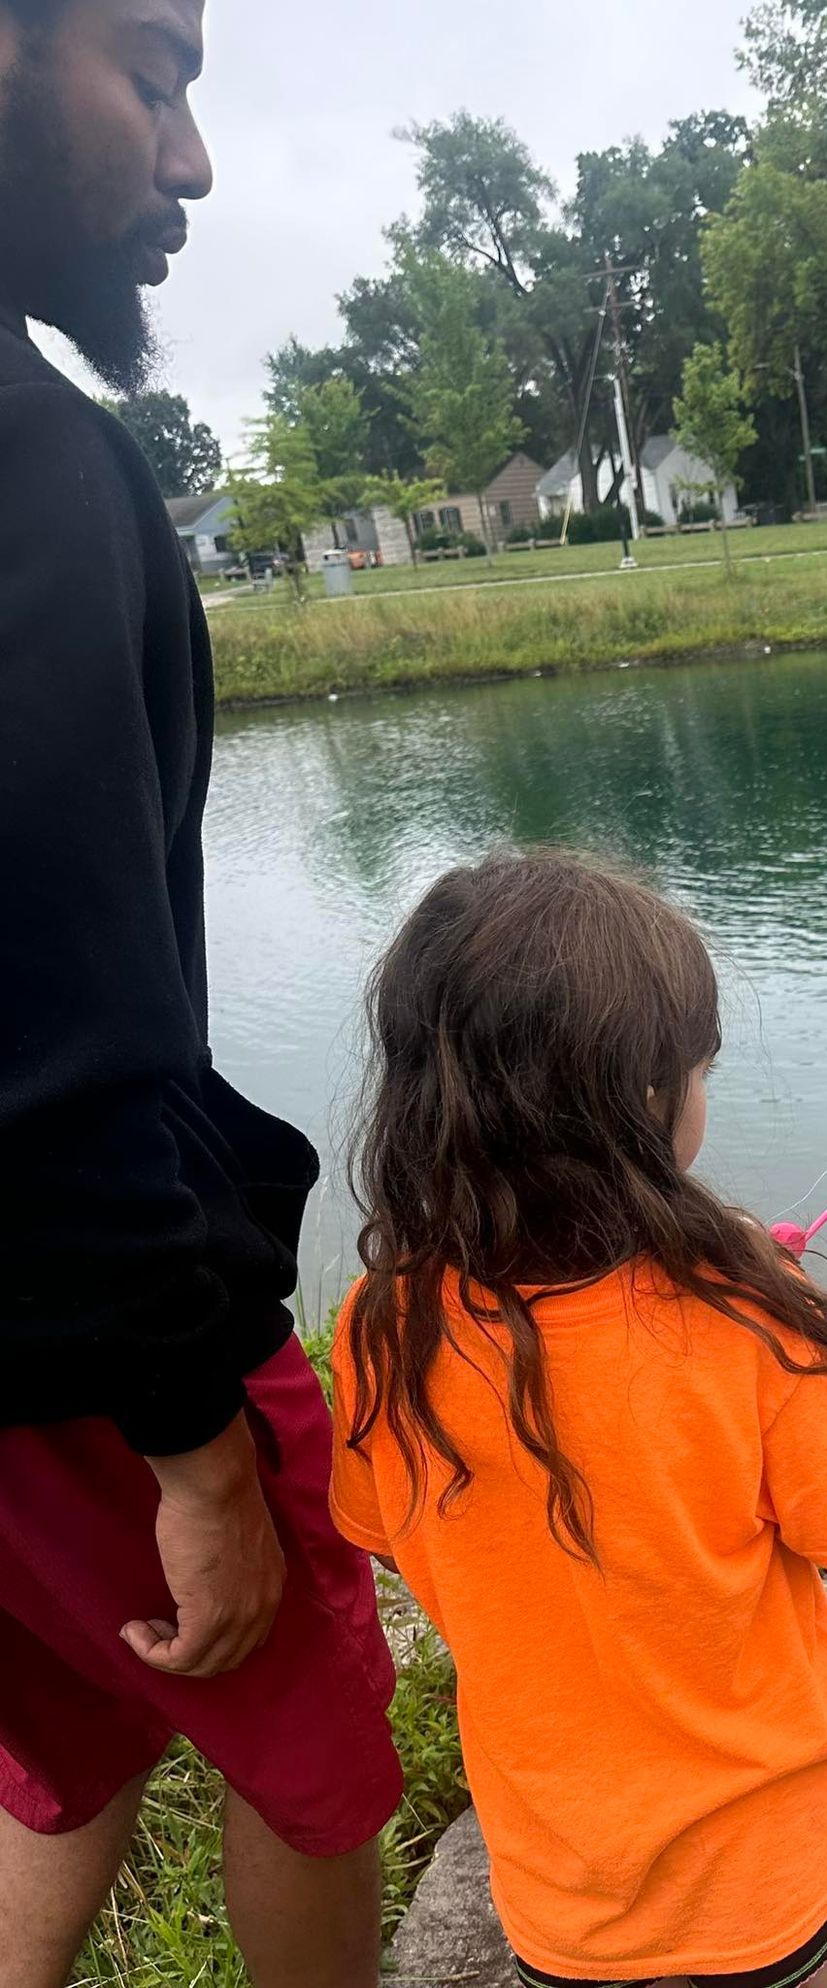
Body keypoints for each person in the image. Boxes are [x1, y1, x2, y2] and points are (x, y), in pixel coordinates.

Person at [0, 5, 402, 1984]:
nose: (192, 162)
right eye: (151, 77)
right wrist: (195, 1450)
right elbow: (51, 1033)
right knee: (314, 1756)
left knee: (75, 1726)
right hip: (85, 1335)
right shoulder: (25, 462)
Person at [330, 851, 827, 1988]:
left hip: (564, 1873)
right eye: (697, 1070)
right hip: (773, 1849)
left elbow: (384, 1529)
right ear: (644, 1104)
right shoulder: (749, 1318)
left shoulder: (383, 1320)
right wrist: (806, 1338)